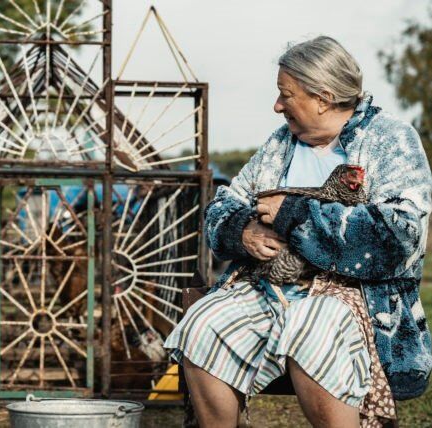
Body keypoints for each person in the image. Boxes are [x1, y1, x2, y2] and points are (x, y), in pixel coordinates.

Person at [164, 36, 432, 427]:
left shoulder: (390, 138)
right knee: (204, 323)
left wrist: (293, 214)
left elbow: (400, 236)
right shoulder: (281, 145)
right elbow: (223, 206)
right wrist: (243, 232)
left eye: (285, 95)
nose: (277, 106)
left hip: (356, 295)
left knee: (312, 328)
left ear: (322, 97)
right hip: (269, 286)